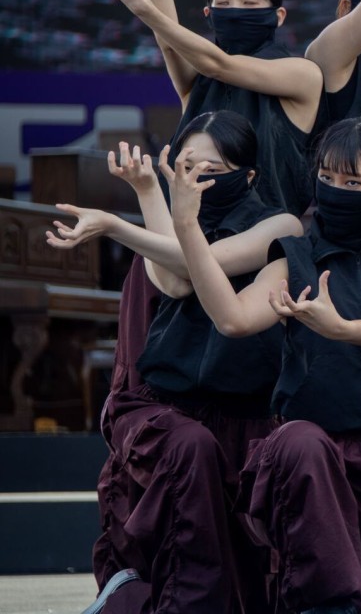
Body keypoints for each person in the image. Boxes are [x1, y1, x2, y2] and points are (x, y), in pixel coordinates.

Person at [171, 116, 361, 614]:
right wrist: (185, 227)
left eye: (353, 183)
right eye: (326, 178)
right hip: (312, 458)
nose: (336, 191)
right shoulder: (297, 254)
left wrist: (341, 329)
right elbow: (234, 319)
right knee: (300, 443)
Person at [49, 111, 302, 614]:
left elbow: (191, 266)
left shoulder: (281, 225)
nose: (195, 178)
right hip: (171, 406)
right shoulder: (171, 222)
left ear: (248, 175)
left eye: (212, 169)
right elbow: (171, 280)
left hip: (244, 410)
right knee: (189, 449)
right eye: (185, 166)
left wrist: (116, 225)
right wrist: (149, 192)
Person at [87, 0, 322, 216]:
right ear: (208, 14)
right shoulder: (198, 80)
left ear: (278, 16)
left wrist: (142, 7)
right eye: (223, 3)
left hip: (263, 235)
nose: (236, 11)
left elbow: (220, 65)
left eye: (249, 3)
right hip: (186, 229)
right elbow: (169, 42)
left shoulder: (302, 74)